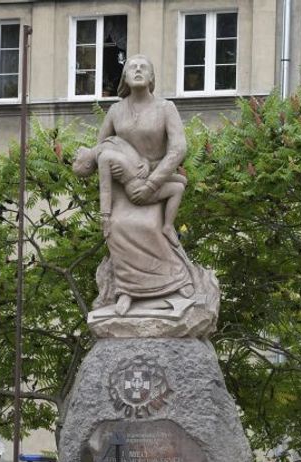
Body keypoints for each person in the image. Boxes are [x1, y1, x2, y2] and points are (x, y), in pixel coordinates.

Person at [94, 54, 193, 315]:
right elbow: (101, 146)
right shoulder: (116, 111)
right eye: (132, 67)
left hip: (157, 181)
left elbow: (178, 148)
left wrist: (152, 181)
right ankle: (126, 291)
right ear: (125, 77)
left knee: (150, 225)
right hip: (124, 185)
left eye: (143, 68)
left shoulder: (165, 108)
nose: (137, 70)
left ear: (151, 78)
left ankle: (175, 281)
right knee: (118, 225)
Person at [72, 136, 186, 244]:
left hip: (147, 175)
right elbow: (105, 189)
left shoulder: (110, 141)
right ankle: (168, 226)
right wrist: (105, 216)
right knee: (178, 189)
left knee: (182, 180)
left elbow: (136, 155)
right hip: (137, 187)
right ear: (87, 165)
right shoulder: (103, 158)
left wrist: (145, 164)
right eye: (76, 161)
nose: (74, 155)